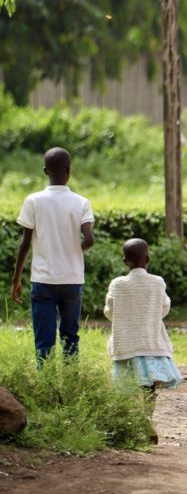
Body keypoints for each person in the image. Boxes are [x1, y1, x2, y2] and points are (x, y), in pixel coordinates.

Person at [12, 147, 95, 363]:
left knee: (43, 342)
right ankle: (70, 386)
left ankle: (46, 388)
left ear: (45, 171)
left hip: (43, 280)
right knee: (70, 338)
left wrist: (16, 280)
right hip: (72, 280)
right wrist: (75, 248)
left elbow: (25, 243)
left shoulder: (33, 201)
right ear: (69, 170)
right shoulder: (81, 202)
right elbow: (89, 239)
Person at [103, 238, 183, 392]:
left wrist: (124, 318)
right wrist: (150, 316)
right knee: (149, 387)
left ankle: (131, 414)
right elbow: (164, 307)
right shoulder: (158, 282)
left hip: (126, 344)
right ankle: (147, 412)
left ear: (125, 261)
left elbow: (109, 311)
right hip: (151, 343)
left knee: (126, 388)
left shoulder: (117, 284)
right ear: (147, 259)